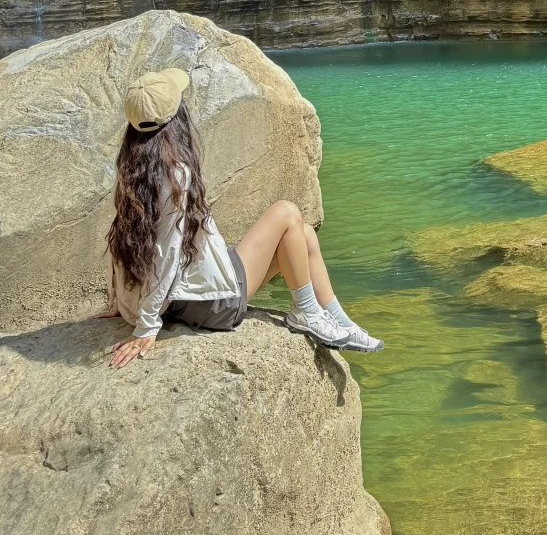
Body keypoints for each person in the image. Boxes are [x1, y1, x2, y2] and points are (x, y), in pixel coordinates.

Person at [103, 67, 383, 369]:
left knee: (303, 234)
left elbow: (125, 236)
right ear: (176, 121)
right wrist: (145, 326)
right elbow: (167, 250)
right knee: (287, 213)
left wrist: (119, 301)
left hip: (189, 295)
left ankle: (337, 319)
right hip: (211, 304)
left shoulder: (130, 170)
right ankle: (307, 314)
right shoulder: (175, 175)